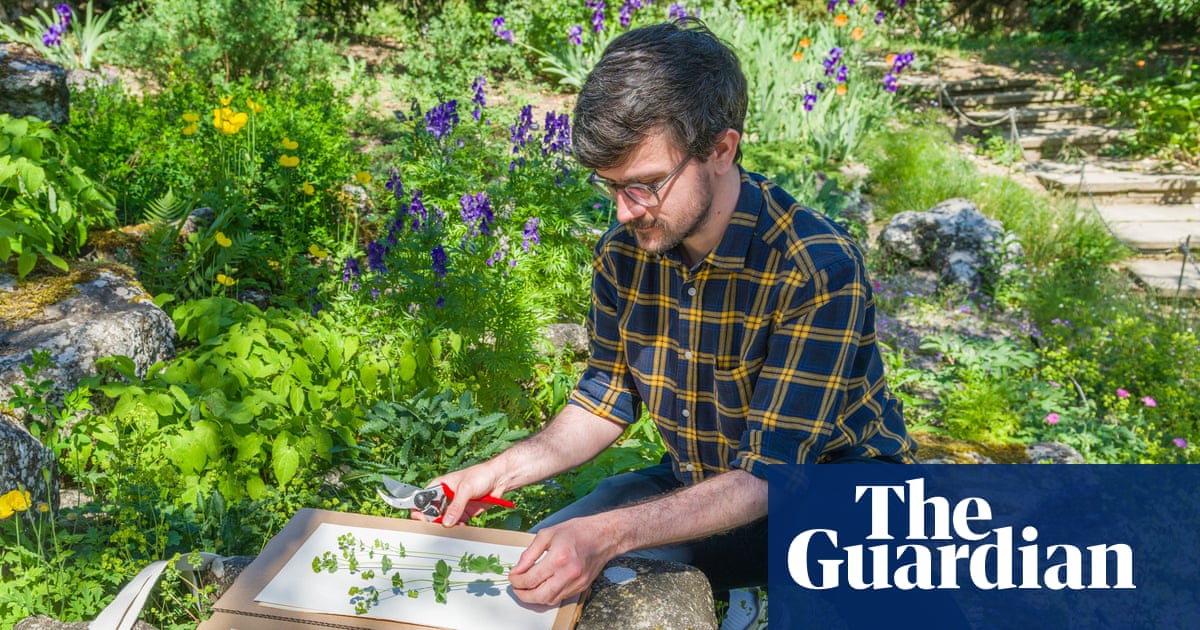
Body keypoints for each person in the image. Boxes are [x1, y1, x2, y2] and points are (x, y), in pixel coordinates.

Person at [425, 17, 916, 610]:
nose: (625, 211)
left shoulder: (815, 268)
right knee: (534, 572)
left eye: (645, 184)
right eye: (610, 186)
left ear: (720, 149)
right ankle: (725, 597)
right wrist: (495, 473)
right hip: (702, 483)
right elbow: (603, 401)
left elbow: (772, 475)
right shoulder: (625, 255)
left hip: (841, 504)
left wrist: (609, 534)